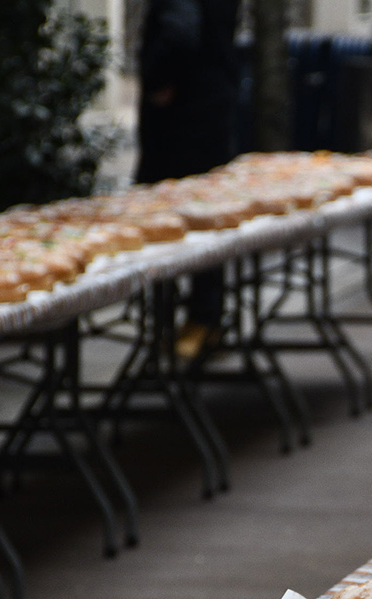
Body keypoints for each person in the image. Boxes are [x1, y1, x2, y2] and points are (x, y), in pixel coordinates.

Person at [136, 0, 241, 345]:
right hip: (212, 114)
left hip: (179, 126)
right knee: (206, 220)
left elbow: (179, 35)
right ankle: (204, 322)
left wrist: (157, 81)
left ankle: (174, 330)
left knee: (164, 224)